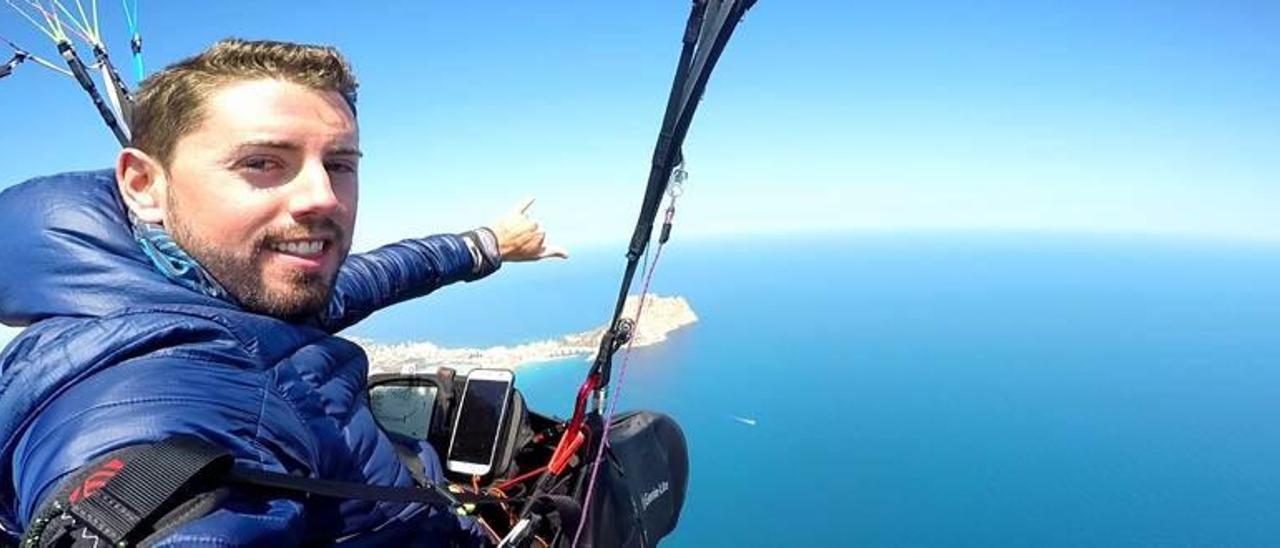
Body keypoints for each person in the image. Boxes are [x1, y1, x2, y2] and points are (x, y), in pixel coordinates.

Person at [0, 38, 567, 545]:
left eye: (339, 163)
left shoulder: (223, 288)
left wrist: (488, 244)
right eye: (263, 163)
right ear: (143, 185)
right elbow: (148, 482)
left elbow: (381, 273)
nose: (322, 197)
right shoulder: (147, 381)